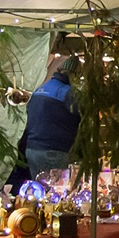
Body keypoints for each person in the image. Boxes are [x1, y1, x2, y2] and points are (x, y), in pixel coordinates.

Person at [20, 47, 80, 176]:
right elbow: (81, 117)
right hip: (55, 150)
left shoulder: (41, 89)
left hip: (33, 149)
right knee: (56, 191)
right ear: (74, 75)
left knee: (38, 190)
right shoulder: (68, 93)